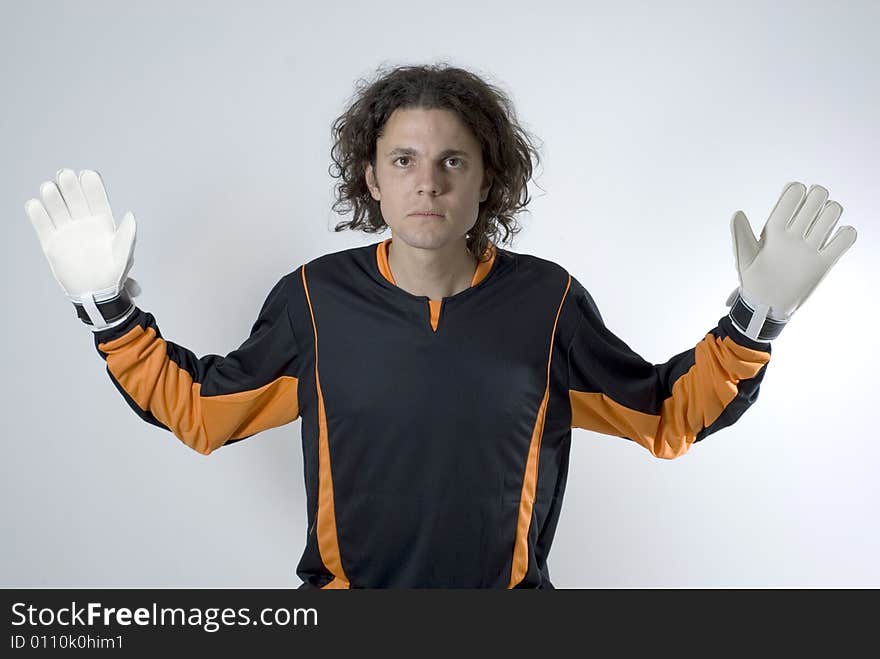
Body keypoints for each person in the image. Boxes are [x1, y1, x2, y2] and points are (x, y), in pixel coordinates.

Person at [25, 63, 857, 589]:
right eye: (404, 161)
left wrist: (757, 317)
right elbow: (205, 412)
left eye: (452, 160)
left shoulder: (550, 303)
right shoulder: (314, 299)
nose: (428, 183)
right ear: (372, 180)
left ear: (487, 177)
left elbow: (666, 413)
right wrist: (110, 312)